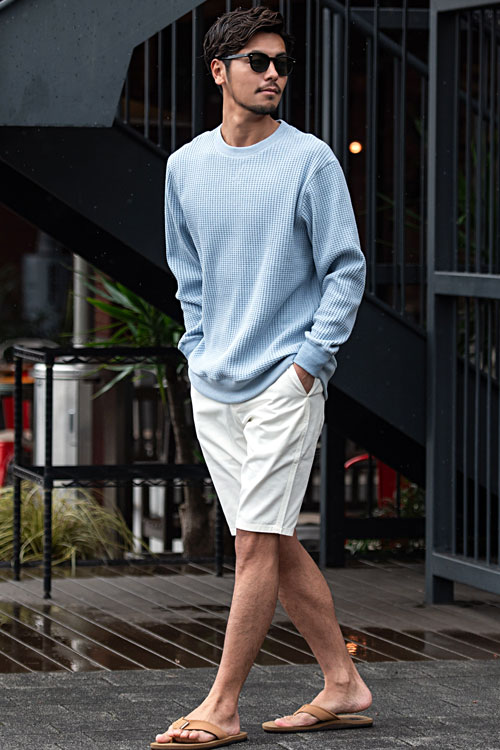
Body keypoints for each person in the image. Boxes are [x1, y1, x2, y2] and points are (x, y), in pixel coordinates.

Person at [153, 6, 372, 748]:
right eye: (257, 61)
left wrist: (310, 365)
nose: (274, 73)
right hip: (214, 382)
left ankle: (221, 706)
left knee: (253, 543)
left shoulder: (310, 161)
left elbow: (345, 271)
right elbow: (188, 274)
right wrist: (196, 349)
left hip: (286, 380)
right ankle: (343, 683)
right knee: (270, 539)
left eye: (281, 62)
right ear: (220, 71)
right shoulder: (185, 168)